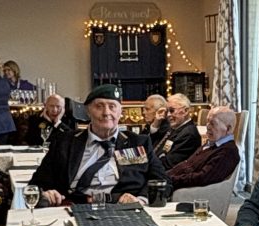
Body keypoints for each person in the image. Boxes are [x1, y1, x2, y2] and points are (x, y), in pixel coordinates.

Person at [30, 83, 166, 206]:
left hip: (123, 210)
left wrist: (141, 199)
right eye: (99, 106)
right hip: (74, 208)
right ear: (88, 111)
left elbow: (161, 180)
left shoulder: (137, 143)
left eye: (112, 107)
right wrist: (45, 194)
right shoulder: (65, 142)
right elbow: (36, 185)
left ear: (120, 112)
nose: (106, 113)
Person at [167, 106, 240, 190]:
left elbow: (202, 178)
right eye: (207, 122)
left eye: (213, 123)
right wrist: (165, 175)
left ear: (228, 129)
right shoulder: (211, 144)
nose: (208, 127)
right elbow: (187, 165)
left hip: (185, 190)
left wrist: (170, 179)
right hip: (172, 180)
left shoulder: (228, 152)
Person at [153, 92, 202, 168]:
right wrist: (156, 122)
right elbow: (155, 147)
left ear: (185, 111)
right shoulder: (175, 128)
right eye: (167, 111)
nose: (168, 115)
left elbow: (170, 164)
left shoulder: (188, 134)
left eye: (172, 110)